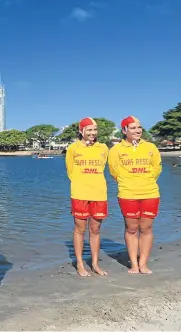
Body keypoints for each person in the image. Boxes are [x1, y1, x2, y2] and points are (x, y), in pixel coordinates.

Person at [108, 116, 162, 274]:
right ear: (124, 130)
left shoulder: (151, 147)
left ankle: (143, 263)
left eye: (139, 127)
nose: (137, 130)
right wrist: (128, 182)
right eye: (133, 128)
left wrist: (146, 180)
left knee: (146, 228)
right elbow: (114, 171)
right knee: (131, 228)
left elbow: (157, 168)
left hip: (150, 192)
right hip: (127, 193)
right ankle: (134, 264)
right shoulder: (116, 150)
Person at [65, 117, 109, 277]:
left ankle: (95, 264)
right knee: (80, 229)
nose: (92, 133)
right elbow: (70, 171)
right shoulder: (73, 148)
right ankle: (80, 263)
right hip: (80, 194)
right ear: (81, 131)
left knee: (95, 229)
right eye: (89, 129)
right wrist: (81, 183)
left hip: (99, 194)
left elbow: (104, 167)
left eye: (94, 130)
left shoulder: (103, 148)